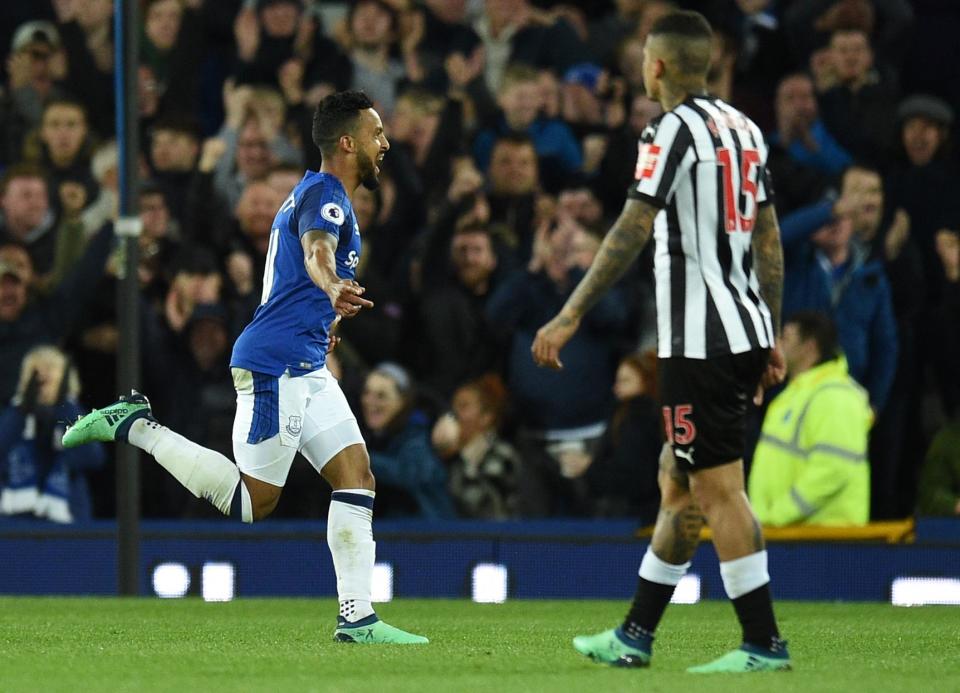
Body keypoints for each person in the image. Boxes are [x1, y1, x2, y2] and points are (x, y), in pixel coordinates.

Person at [62, 90, 428, 645]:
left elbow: (292, 274)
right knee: (253, 502)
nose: (386, 143)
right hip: (275, 367)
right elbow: (315, 251)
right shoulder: (326, 195)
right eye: (377, 134)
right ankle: (134, 425)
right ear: (348, 142)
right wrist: (331, 287)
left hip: (305, 364)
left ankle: (358, 619)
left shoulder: (318, 192)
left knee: (357, 478)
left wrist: (322, 317)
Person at [531, 11, 790, 673]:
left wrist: (569, 313)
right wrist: (769, 331)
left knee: (717, 490)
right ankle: (634, 635)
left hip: (698, 342)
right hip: (740, 331)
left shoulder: (668, 130)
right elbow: (769, 241)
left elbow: (631, 227)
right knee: (676, 483)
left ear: (662, 66)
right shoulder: (746, 131)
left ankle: (763, 643)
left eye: (646, 57)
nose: (642, 67)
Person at [749, 312, 871, 526]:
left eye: (785, 338)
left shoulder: (835, 396)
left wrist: (777, 516)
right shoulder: (795, 394)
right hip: (790, 537)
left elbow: (833, 468)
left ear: (809, 347)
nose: (777, 346)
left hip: (823, 542)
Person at [0, 345, 105, 523]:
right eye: (37, 370)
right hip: (15, 519)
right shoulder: (15, 413)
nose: (43, 376)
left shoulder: (74, 414)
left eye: (51, 369)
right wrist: (22, 409)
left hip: (67, 513)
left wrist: (64, 407)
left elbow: (92, 457)